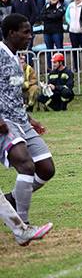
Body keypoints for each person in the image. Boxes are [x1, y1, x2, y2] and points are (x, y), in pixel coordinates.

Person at [1, 13, 57, 224]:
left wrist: (29, 117)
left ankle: (12, 199)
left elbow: (10, 94)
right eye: (25, 32)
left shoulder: (17, 57)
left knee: (46, 168)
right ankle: (22, 223)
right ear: (11, 33)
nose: (30, 36)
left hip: (21, 120)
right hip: (5, 122)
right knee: (26, 166)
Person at [65, 0, 82, 65]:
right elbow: (67, 16)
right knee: (74, 50)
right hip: (72, 31)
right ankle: (76, 65)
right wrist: (70, 23)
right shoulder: (70, 6)